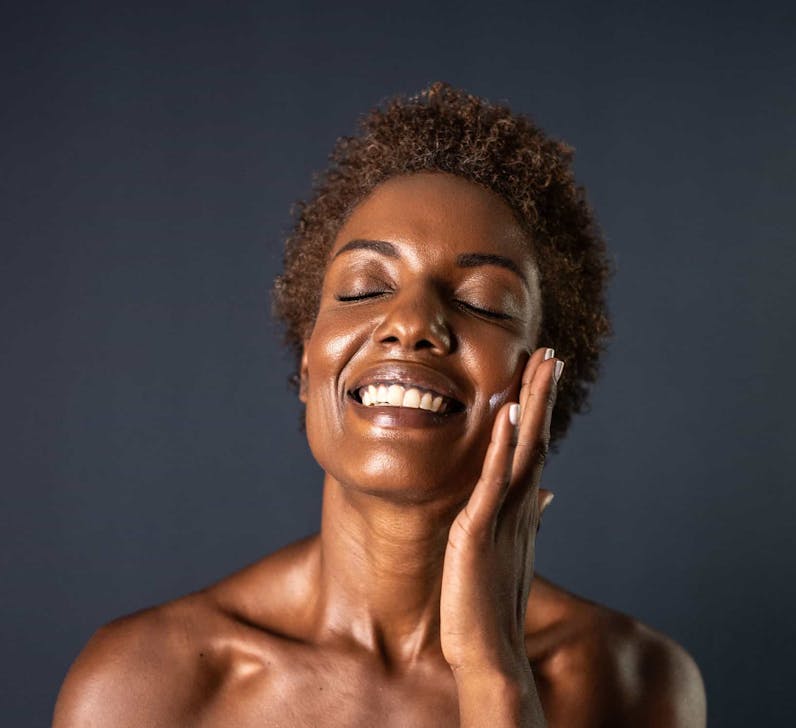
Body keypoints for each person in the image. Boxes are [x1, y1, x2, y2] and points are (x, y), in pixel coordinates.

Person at [53, 83, 706, 727]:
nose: (412, 322)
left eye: (482, 301)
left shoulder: (631, 685)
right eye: (365, 288)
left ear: (545, 381)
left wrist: (492, 671)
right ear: (309, 363)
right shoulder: (141, 688)